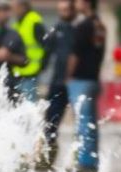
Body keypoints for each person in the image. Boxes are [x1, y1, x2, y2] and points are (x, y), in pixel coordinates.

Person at [66, 0, 106, 172]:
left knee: (83, 123)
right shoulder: (100, 25)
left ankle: (85, 161)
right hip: (93, 79)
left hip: (81, 79)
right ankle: (91, 159)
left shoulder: (83, 26)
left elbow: (75, 53)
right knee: (90, 122)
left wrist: (68, 75)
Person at [43, 0, 76, 151]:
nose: (63, 13)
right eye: (61, 10)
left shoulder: (78, 30)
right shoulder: (55, 30)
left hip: (75, 81)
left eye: (66, 10)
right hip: (58, 81)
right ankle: (48, 149)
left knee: (80, 119)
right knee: (52, 117)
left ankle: (77, 152)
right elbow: (47, 53)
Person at [11, 0, 46, 101]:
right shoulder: (18, 22)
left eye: (15, 6)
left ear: (23, 7)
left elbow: (46, 45)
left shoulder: (33, 21)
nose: (13, 10)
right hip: (18, 70)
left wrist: (43, 65)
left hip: (31, 69)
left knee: (29, 102)